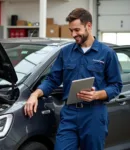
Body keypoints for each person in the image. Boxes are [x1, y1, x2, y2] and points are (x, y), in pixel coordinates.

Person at [24, 8, 122, 150]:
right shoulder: (65, 52)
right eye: (71, 30)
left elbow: (116, 86)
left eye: (77, 30)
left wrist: (96, 95)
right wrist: (35, 94)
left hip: (94, 113)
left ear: (88, 26)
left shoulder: (107, 54)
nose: (73, 34)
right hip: (69, 113)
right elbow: (52, 79)